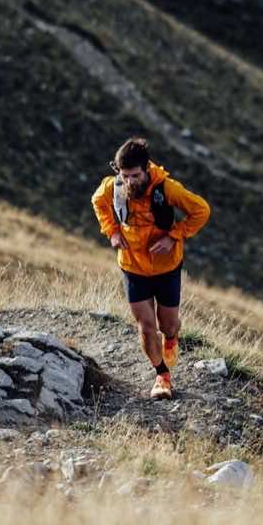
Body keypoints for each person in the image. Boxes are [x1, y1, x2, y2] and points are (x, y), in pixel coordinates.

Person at [91, 138, 211, 399]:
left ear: (146, 169)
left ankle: (171, 337)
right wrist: (111, 232)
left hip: (166, 267)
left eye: (135, 176)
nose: (130, 182)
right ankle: (162, 376)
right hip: (132, 265)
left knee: (167, 325)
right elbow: (97, 202)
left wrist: (174, 236)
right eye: (125, 176)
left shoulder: (167, 188)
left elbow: (201, 210)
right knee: (146, 326)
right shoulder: (113, 187)